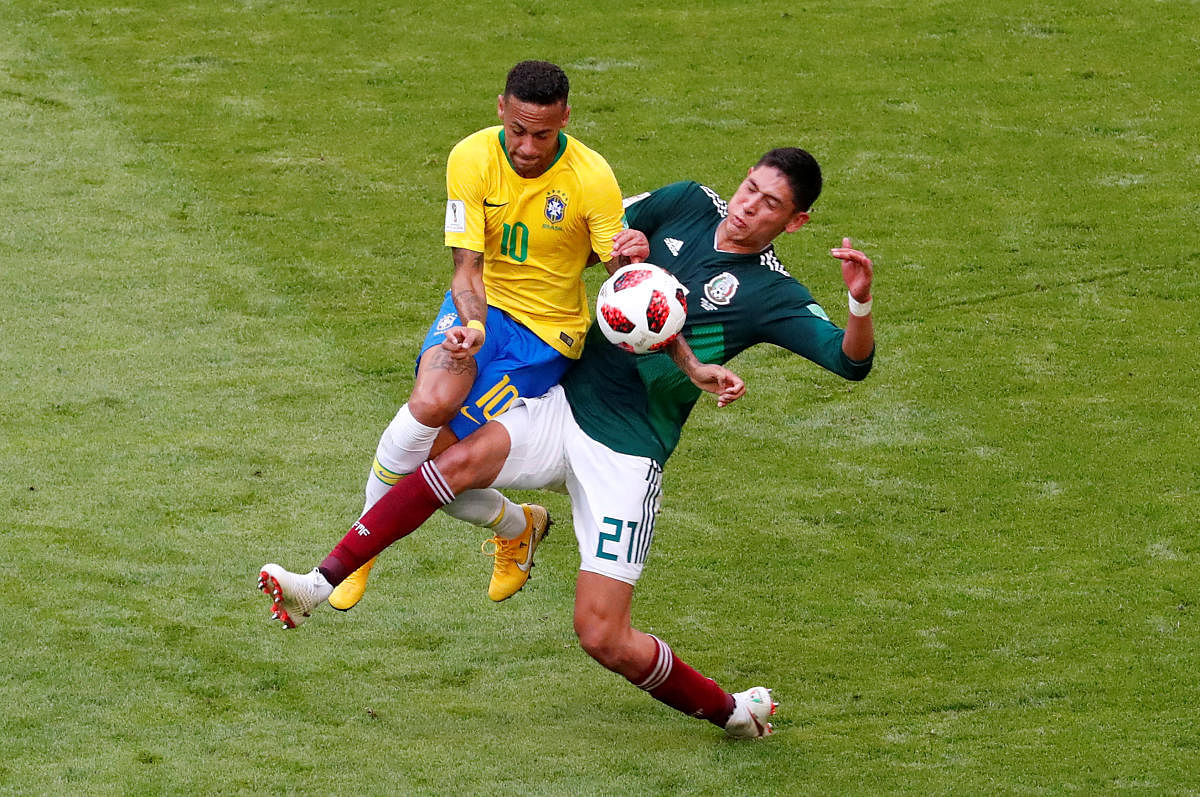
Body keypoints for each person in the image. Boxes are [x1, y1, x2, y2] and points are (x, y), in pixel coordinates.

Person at [259, 147, 875, 739]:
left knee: (602, 635)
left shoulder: (774, 294)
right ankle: (319, 582)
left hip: (628, 453)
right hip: (562, 404)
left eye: (769, 205)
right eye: (749, 189)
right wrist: (619, 245)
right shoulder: (686, 202)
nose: (748, 208)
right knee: (446, 459)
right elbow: (582, 236)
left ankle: (733, 712)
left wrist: (858, 300)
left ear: (795, 222)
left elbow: (850, 364)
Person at [330, 60, 645, 611]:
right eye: (518, 130)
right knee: (429, 402)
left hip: (544, 337)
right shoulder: (471, 156)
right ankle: (366, 550)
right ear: (501, 108)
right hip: (482, 309)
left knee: (436, 470)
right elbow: (466, 269)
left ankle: (514, 527)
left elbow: (611, 259)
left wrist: (624, 255)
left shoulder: (591, 177)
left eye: (542, 134)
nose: (527, 146)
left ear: (566, 120)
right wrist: (473, 327)